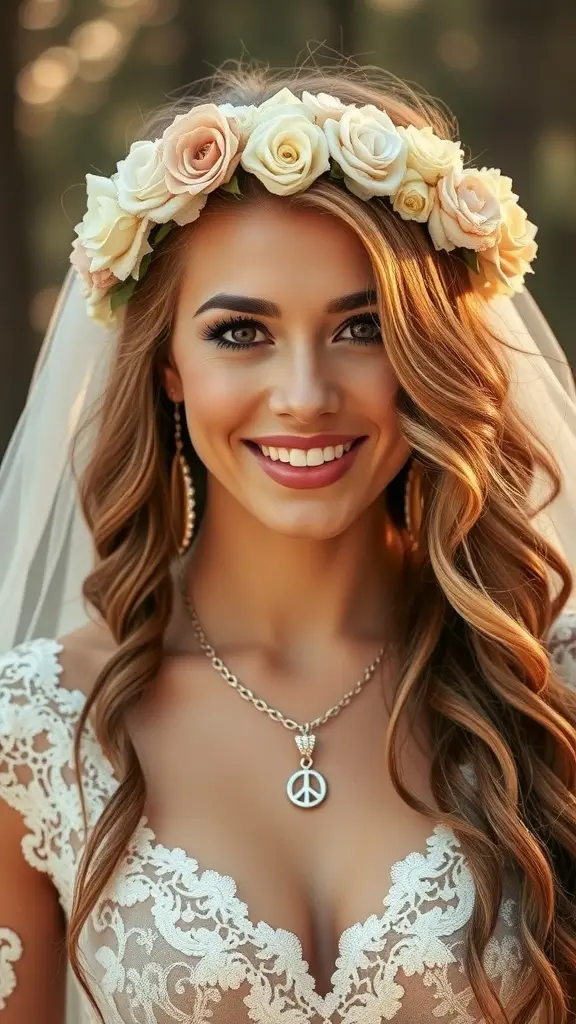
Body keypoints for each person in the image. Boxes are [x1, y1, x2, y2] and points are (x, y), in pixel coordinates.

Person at [0, 63, 576, 1024]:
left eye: (363, 326)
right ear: (170, 367)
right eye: (239, 333)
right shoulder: (34, 732)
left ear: (432, 354)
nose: (306, 394)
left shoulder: (546, 696)